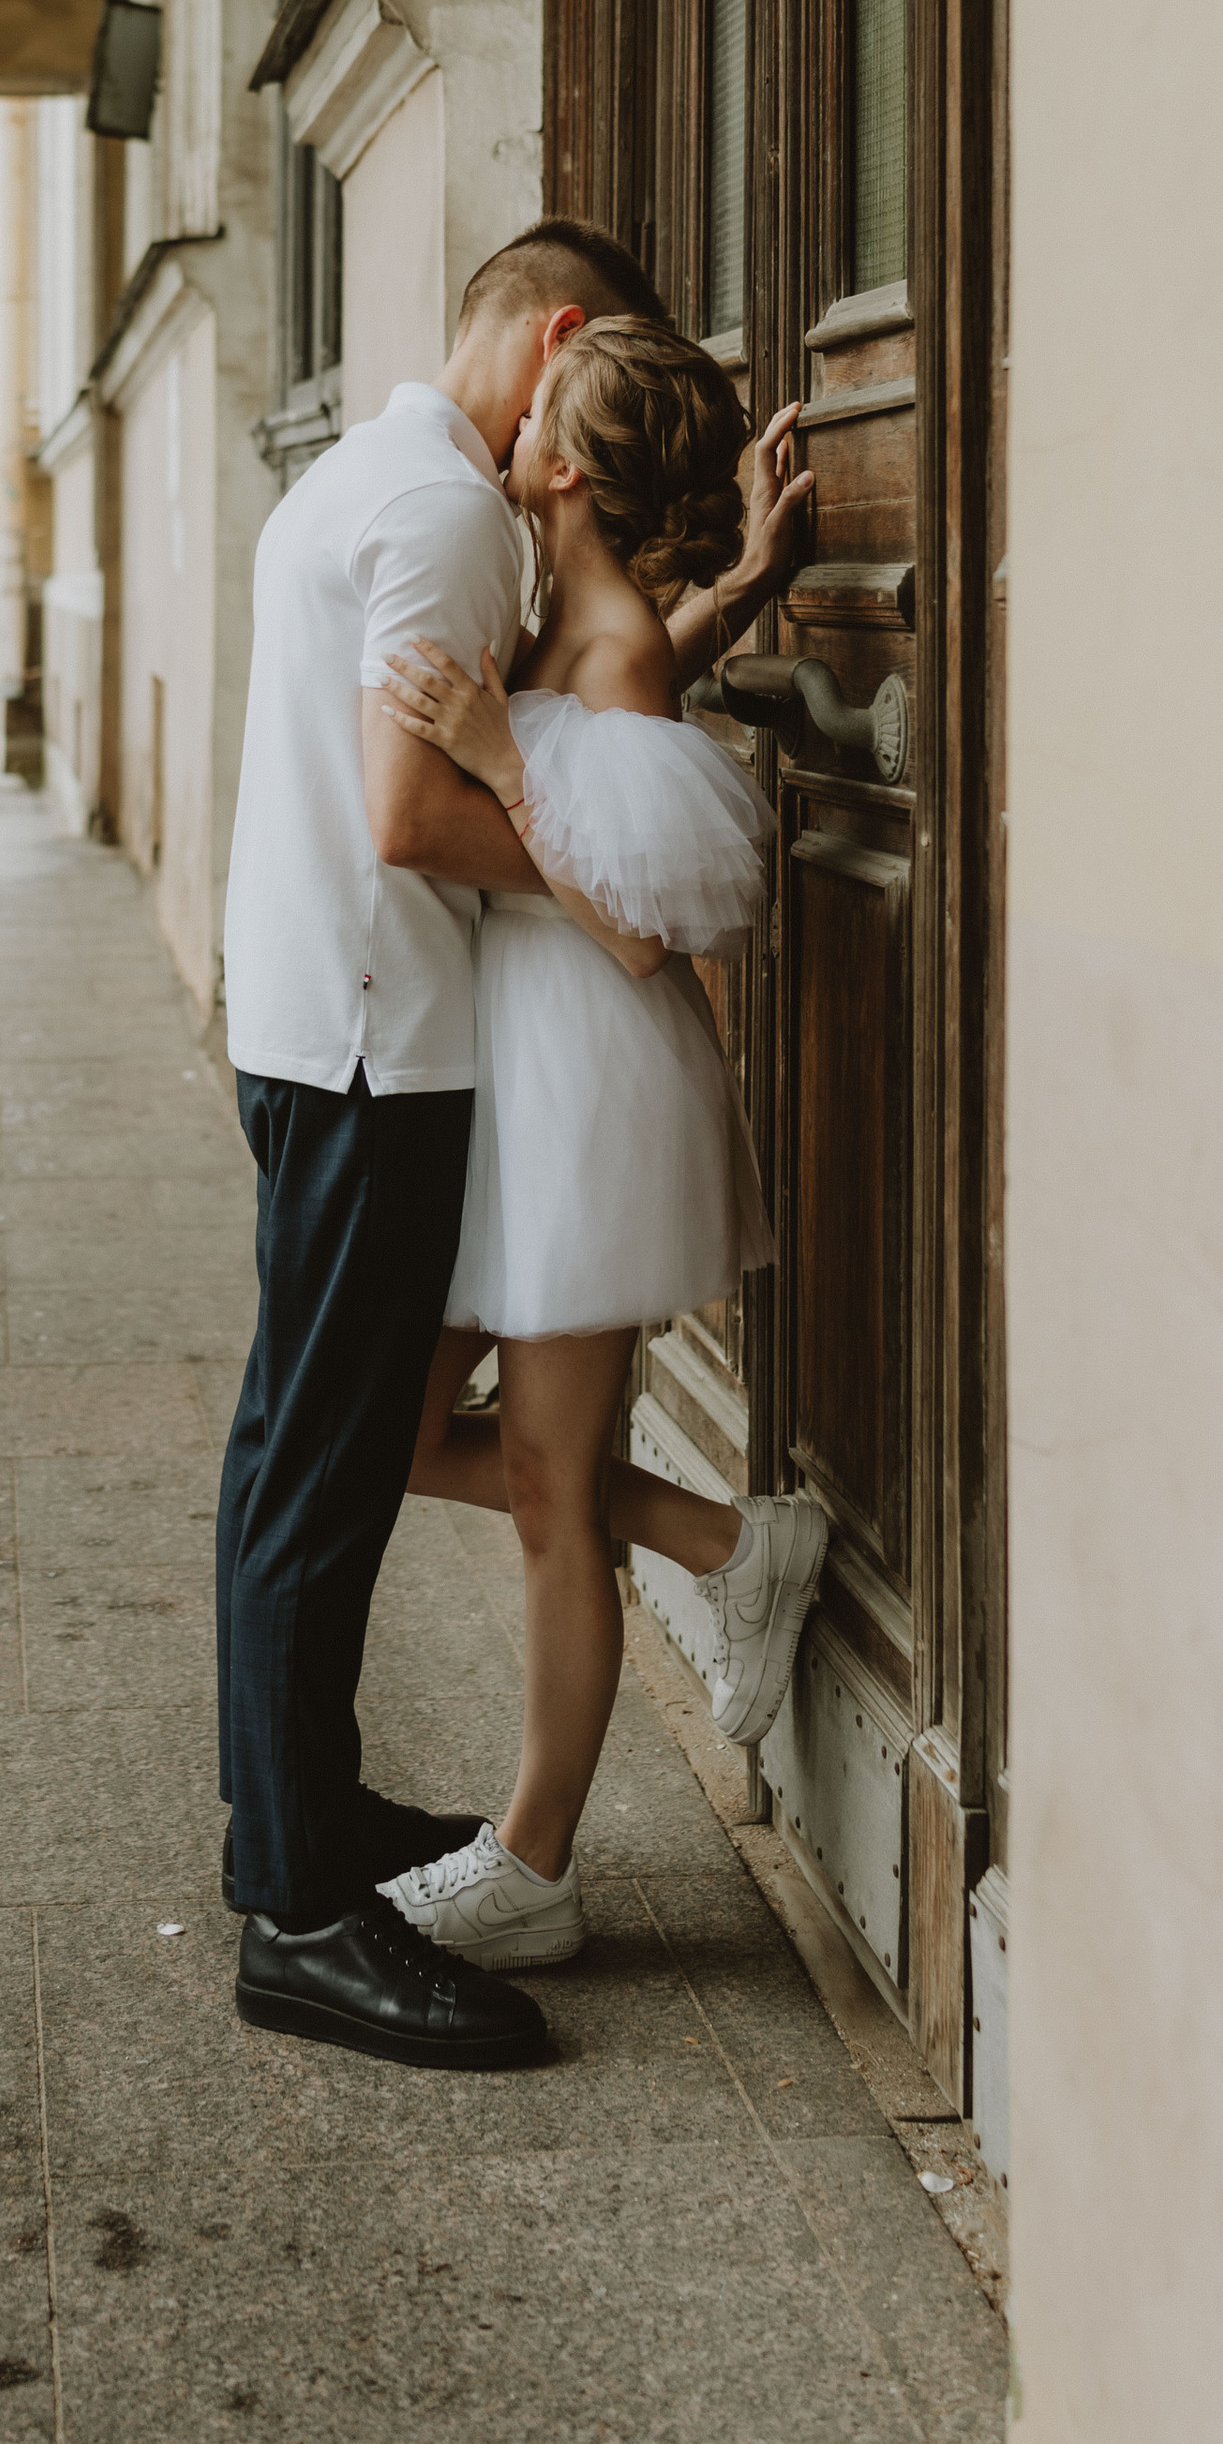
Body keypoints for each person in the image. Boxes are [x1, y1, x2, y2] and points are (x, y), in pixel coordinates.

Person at [216, 219, 809, 2069]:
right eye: (596, 378)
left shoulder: (384, 486)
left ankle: (350, 1857)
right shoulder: (459, 517)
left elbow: (595, 765)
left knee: (395, 1470)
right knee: (340, 1469)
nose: (573, 425)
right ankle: (306, 1890)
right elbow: (450, 802)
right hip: (391, 1049)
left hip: (433, 1056)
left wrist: (664, 648)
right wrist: (530, 741)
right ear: (559, 347)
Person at [372, 315, 830, 1970]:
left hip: (588, 1084)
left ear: (565, 465)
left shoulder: (608, 633)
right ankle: (733, 1542)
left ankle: (534, 1862)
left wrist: (493, 755)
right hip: (527, 1077)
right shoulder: (586, 612)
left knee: (557, 1492)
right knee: (413, 1431)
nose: (505, 420)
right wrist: (753, 589)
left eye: (535, 412)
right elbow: (621, 707)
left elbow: (643, 932)